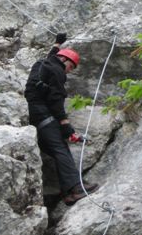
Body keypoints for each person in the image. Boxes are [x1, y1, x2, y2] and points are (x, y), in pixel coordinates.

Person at [24, 35, 98, 206]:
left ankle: (68, 192)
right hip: (44, 115)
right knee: (61, 150)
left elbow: (52, 56)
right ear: (63, 60)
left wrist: (58, 43)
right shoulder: (57, 72)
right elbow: (56, 100)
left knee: (58, 150)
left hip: (34, 115)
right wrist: (67, 127)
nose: (69, 71)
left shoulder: (42, 64)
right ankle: (75, 189)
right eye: (70, 67)